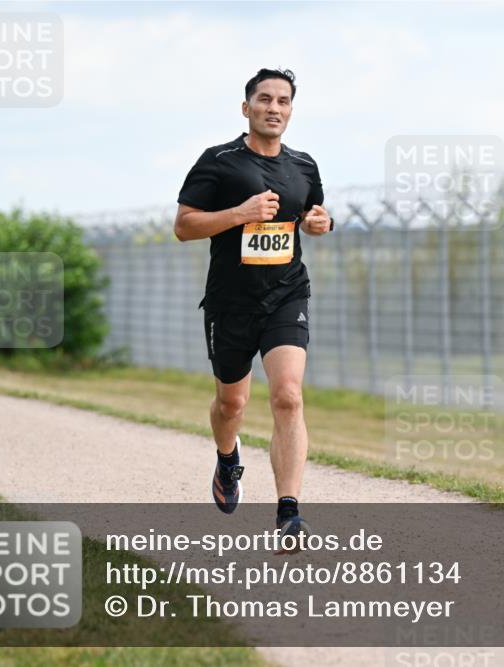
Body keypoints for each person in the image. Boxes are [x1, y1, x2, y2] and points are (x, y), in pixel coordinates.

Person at [173, 68, 332, 548]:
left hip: (286, 294)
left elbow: (312, 214)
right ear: (247, 108)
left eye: (283, 101)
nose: (274, 108)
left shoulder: (304, 165)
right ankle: (227, 457)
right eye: (264, 99)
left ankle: (288, 512)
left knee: (287, 394)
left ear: (290, 110)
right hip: (231, 303)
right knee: (232, 403)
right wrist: (239, 214)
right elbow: (184, 225)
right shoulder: (218, 162)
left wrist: (321, 222)